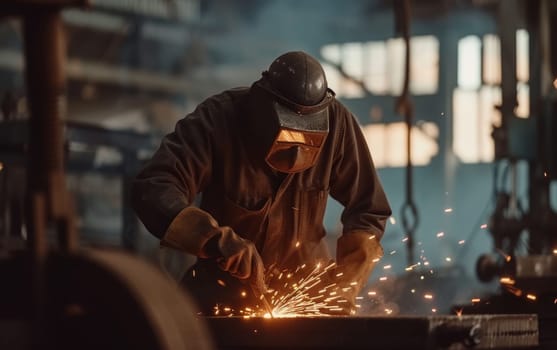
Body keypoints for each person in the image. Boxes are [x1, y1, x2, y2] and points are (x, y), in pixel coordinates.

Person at [131, 51, 391, 315]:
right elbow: (154, 188)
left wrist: (344, 286)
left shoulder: (338, 125)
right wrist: (212, 238)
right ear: (262, 111)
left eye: (307, 139)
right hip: (222, 297)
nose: (296, 152)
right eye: (288, 134)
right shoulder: (218, 120)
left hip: (306, 296)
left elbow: (369, 210)